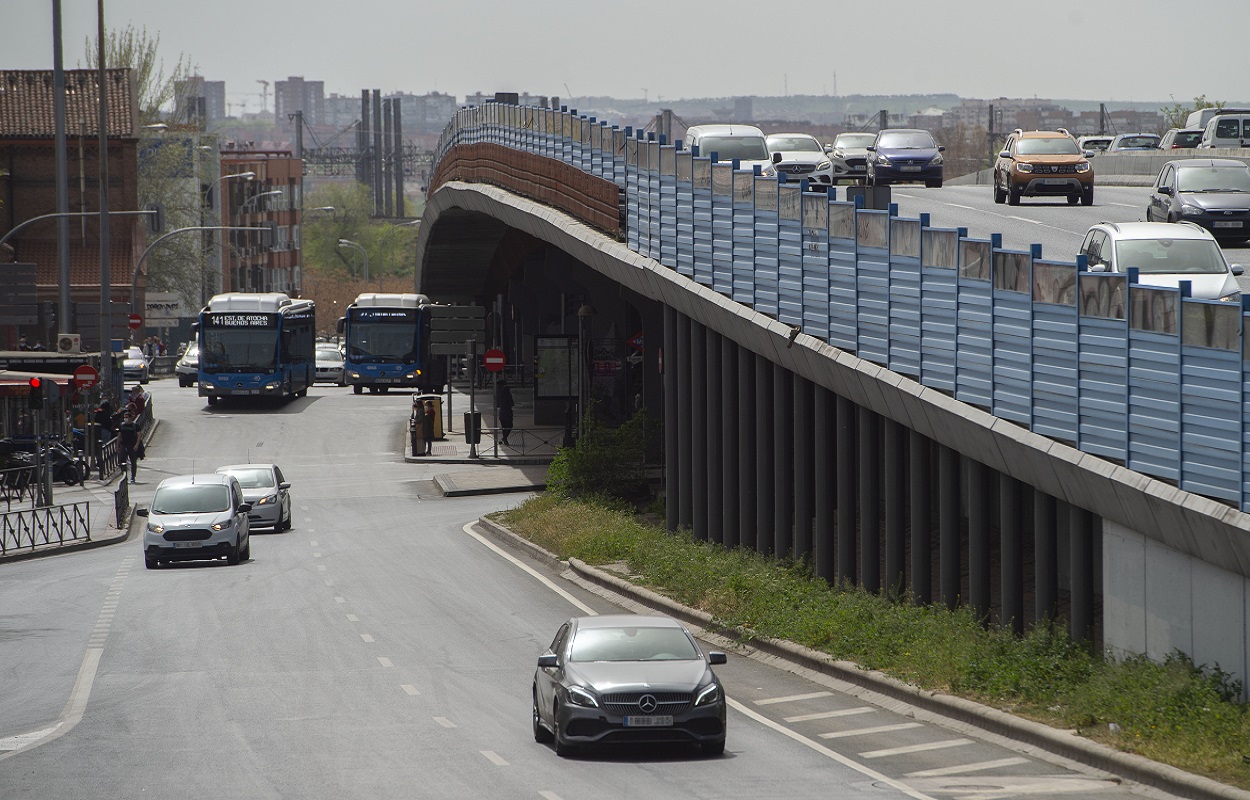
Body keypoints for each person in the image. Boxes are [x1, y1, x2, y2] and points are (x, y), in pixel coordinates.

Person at [117, 410, 142, 483]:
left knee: (133, 462)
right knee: (122, 461)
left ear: (131, 418)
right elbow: (119, 436)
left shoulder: (135, 425)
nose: (125, 419)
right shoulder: (122, 425)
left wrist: (137, 445)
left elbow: (139, 435)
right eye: (124, 417)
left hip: (132, 446)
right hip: (124, 445)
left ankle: (133, 477)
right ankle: (124, 477)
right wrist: (117, 446)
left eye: (127, 417)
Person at [496, 378, 515, 446]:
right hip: (507, 412)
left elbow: (497, 404)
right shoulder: (507, 394)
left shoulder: (499, 393)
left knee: (504, 427)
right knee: (510, 425)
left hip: (501, 412)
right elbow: (512, 403)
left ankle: (505, 439)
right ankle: (505, 438)